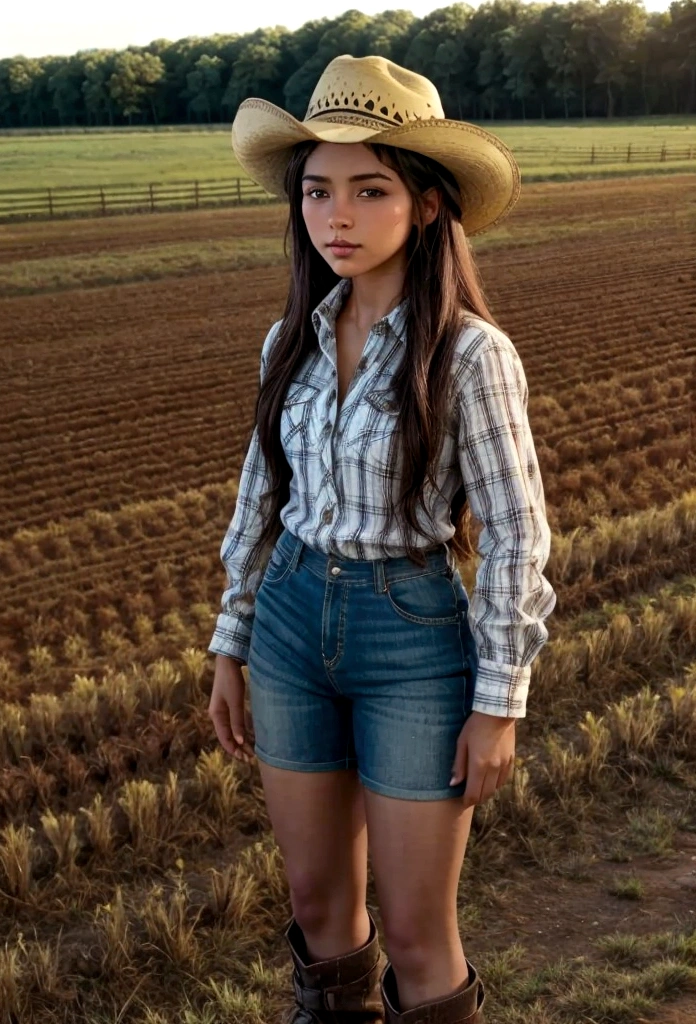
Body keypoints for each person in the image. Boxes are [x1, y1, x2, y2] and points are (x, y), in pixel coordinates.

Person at [208, 54, 556, 1024]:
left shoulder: (472, 354)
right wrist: (231, 641)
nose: (338, 218)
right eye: (318, 191)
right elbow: (259, 498)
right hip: (285, 626)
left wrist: (499, 704)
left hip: (411, 639)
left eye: (370, 190)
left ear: (430, 205)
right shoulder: (288, 343)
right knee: (320, 911)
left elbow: (520, 535)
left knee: (416, 935)